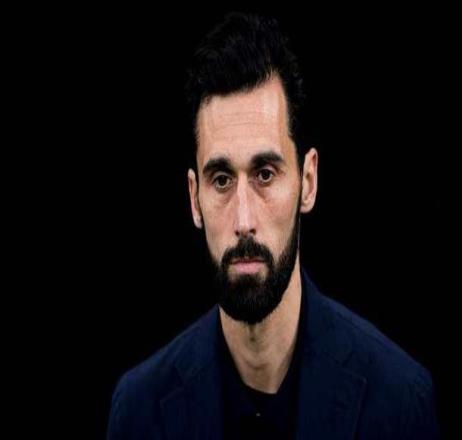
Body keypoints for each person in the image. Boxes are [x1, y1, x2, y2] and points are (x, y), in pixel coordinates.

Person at [107, 12, 439, 439]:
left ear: (308, 181)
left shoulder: (399, 401)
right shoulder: (139, 412)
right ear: (194, 198)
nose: (244, 220)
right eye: (221, 180)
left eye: (265, 174)